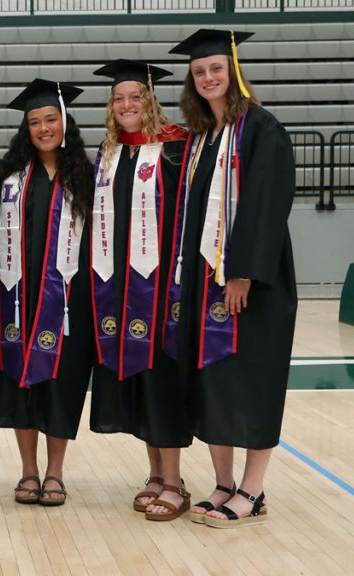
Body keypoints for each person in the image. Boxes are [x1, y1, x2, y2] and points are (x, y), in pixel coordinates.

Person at [167, 29, 297, 528]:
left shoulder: (261, 128)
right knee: (213, 380)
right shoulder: (202, 139)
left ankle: (253, 491)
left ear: (235, 72)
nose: (207, 77)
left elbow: (267, 205)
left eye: (216, 69)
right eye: (199, 72)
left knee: (255, 381)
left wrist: (243, 272)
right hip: (205, 282)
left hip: (252, 285)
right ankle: (222, 484)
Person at [87, 60, 191, 520]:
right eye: (119, 98)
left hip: (164, 288)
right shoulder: (109, 155)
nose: (127, 105)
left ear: (151, 100)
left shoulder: (177, 148)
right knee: (141, 380)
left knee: (164, 380)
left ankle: (174, 481)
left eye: (136, 96)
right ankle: (155, 474)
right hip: (121, 289)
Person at [0, 79, 95, 507]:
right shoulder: (7, 176)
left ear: (65, 122)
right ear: (25, 129)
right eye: (35, 121)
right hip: (17, 299)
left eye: (51, 119)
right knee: (21, 384)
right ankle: (29, 471)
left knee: (61, 384)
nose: (44, 128)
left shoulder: (88, 175)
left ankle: (55, 472)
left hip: (69, 301)